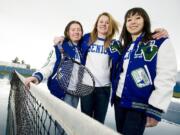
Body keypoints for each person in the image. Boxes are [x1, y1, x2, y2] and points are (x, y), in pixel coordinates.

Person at [111, 7, 177, 135]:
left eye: (138, 18)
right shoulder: (126, 46)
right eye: (129, 19)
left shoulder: (159, 41)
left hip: (139, 105)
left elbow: (167, 75)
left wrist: (156, 108)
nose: (133, 22)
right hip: (119, 101)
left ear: (145, 20)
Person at [25, 20, 83, 108]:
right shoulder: (59, 46)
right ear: (67, 32)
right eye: (73, 29)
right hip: (61, 92)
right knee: (61, 121)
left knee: (70, 120)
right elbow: (49, 66)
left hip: (75, 93)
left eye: (79, 29)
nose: (76, 32)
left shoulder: (81, 49)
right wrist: (37, 77)